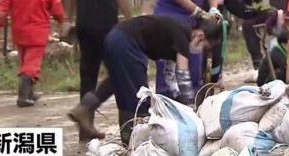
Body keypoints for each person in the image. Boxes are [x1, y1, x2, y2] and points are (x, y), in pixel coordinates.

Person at [67, 15, 221, 144]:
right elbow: (182, 74)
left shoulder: (177, 35)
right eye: (206, 48)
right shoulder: (182, 35)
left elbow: (170, 75)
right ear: (200, 37)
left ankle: (84, 108)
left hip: (115, 37)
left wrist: (178, 99)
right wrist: (191, 110)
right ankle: (132, 137)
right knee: (139, 95)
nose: (201, 52)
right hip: (127, 43)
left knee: (117, 81)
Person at [63, 0, 133, 136]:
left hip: (83, 25)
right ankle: (109, 119)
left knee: (88, 74)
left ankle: (85, 127)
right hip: (106, 26)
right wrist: (130, 18)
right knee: (120, 71)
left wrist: (67, 18)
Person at [0, 0, 64, 107]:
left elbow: (3, 5)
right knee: (32, 64)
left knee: (24, 61)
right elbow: (57, 7)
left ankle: (30, 93)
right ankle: (23, 96)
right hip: (38, 31)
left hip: (19, 30)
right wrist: (61, 21)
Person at [256, 12, 289, 86]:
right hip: (266, 82)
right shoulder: (276, 54)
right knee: (285, 70)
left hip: (277, 77)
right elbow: (287, 68)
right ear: (284, 44)